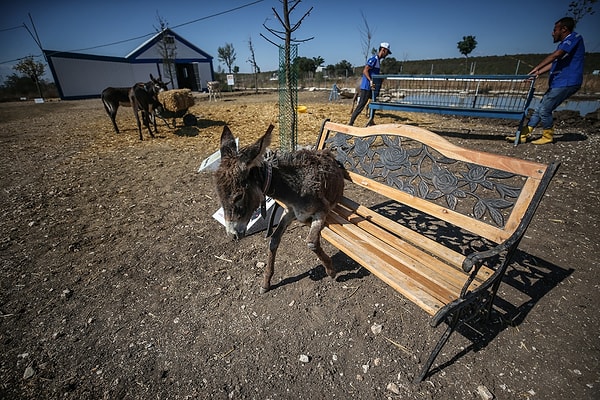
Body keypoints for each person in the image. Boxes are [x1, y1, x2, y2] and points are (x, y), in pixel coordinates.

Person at [506, 17, 585, 145]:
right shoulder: (564, 44)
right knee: (540, 108)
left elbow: (556, 55)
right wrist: (537, 73)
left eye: (555, 30)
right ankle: (524, 134)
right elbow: (554, 62)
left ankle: (548, 136)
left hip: (567, 82)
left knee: (544, 109)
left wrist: (536, 68)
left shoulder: (573, 38)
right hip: (559, 82)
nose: (552, 33)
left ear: (564, 29)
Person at [348, 42, 392, 126]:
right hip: (367, 87)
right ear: (383, 50)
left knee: (374, 104)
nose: (387, 55)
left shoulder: (378, 61)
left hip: (373, 88)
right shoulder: (374, 59)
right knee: (361, 106)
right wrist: (371, 80)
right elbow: (365, 70)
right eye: (387, 52)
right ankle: (351, 123)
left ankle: (371, 121)